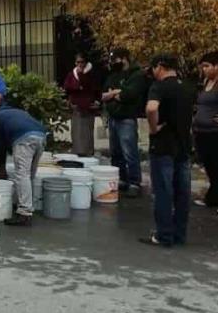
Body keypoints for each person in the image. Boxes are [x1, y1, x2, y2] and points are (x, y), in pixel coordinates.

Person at [140, 54, 195, 247]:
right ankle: (179, 235)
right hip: (184, 144)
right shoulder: (187, 87)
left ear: (160, 67)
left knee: (163, 191)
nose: (153, 72)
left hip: (163, 145)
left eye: (153, 68)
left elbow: (151, 108)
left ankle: (164, 235)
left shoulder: (159, 86)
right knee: (182, 192)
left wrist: (154, 128)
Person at [0, 105, 47, 227]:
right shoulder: (16, 111)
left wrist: (2, 168)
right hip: (41, 135)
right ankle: (26, 205)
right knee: (29, 175)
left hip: (24, 138)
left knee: (22, 174)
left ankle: (25, 214)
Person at [101, 47, 149, 198]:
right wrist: (116, 93)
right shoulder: (113, 75)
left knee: (130, 151)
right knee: (116, 152)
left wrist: (114, 93)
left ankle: (135, 181)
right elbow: (103, 95)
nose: (113, 62)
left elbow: (130, 94)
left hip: (127, 118)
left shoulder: (137, 75)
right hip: (114, 117)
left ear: (124, 59)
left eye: (115, 59)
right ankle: (121, 178)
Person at [193, 51, 218, 209]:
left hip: (214, 133)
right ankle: (213, 198)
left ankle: (213, 198)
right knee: (209, 167)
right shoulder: (205, 82)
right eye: (202, 67)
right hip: (201, 132)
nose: (204, 70)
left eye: (207, 66)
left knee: (216, 166)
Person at [63, 53, 100, 156]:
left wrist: (97, 101)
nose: (80, 64)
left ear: (85, 62)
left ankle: (88, 153)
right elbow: (67, 87)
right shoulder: (72, 74)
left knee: (87, 134)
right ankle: (77, 153)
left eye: (82, 62)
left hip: (88, 107)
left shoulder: (90, 74)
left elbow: (93, 88)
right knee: (77, 133)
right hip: (76, 107)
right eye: (77, 62)